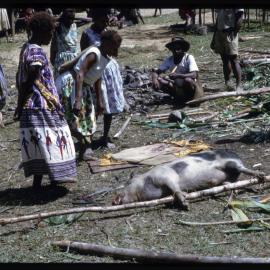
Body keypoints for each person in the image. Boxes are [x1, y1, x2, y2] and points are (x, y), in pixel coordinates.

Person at [14, 12, 77, 190]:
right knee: (54, 139)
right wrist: (19, 104)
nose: (51, 36)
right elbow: (30, 80)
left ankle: (38, 183)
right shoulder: (35, 51)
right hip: (40, 105)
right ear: (42, 31)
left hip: (32, 106)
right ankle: (56, 177)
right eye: (50, 32)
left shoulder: (27, 47)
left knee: (40, 144)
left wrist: (20, 105)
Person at [55, 30, 122, 160]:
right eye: (114, 47)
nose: (116, 51)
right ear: (107, 44)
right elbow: (80, 73)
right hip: (72, 84)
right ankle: (72, 146)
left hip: (83, 87)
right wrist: (78, 99)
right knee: (73, 118)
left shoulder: (105, 56)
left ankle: (84, 151)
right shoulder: (94, 54)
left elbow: (97, 77)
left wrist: (100, 101)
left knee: (88, 119)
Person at [80, 9, 125, 150]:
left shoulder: (107, 32)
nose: (105, 23)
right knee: (93, 107)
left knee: (109, 107)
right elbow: (85, 55)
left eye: (106, 21)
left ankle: (105, 137)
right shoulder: (87, 34)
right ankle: (88, 141)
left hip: (110, 71)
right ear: (95, 19)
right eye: (102, 20)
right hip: (96, 73)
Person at [152, 37, 203, 105]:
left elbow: (194, 74)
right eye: (174, 49)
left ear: (183, 49)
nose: (176, 51)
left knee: (188, 80)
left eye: (178, 49)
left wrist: (178, 75)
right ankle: (177, 97)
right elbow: (156, 72)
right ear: (171, 50)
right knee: (159, 80)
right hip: (177, 86)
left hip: (189, 86)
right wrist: (154, 79)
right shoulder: (169, 60)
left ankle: (189, 98)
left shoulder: (188, 58)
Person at [211, 9, 244, 92]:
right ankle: (227, 83)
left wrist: (235, 31)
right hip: (219, 33)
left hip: (230, 34)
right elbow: (218, 21)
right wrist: (214, 38)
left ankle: (239, 85)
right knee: (224, 59)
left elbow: (240, 17)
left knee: (233, 60)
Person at [50, 8, 78, 78]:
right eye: (68, 19)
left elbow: (89, 19)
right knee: (62, 83)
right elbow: (50, 21)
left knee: (72, 84)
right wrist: (60, 18)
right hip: (62, 60)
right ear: (64, 18)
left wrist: (72, 17)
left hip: (74, 60)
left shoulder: (74, 25)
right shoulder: (59, 27)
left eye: (72, 19)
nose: (70, 21)